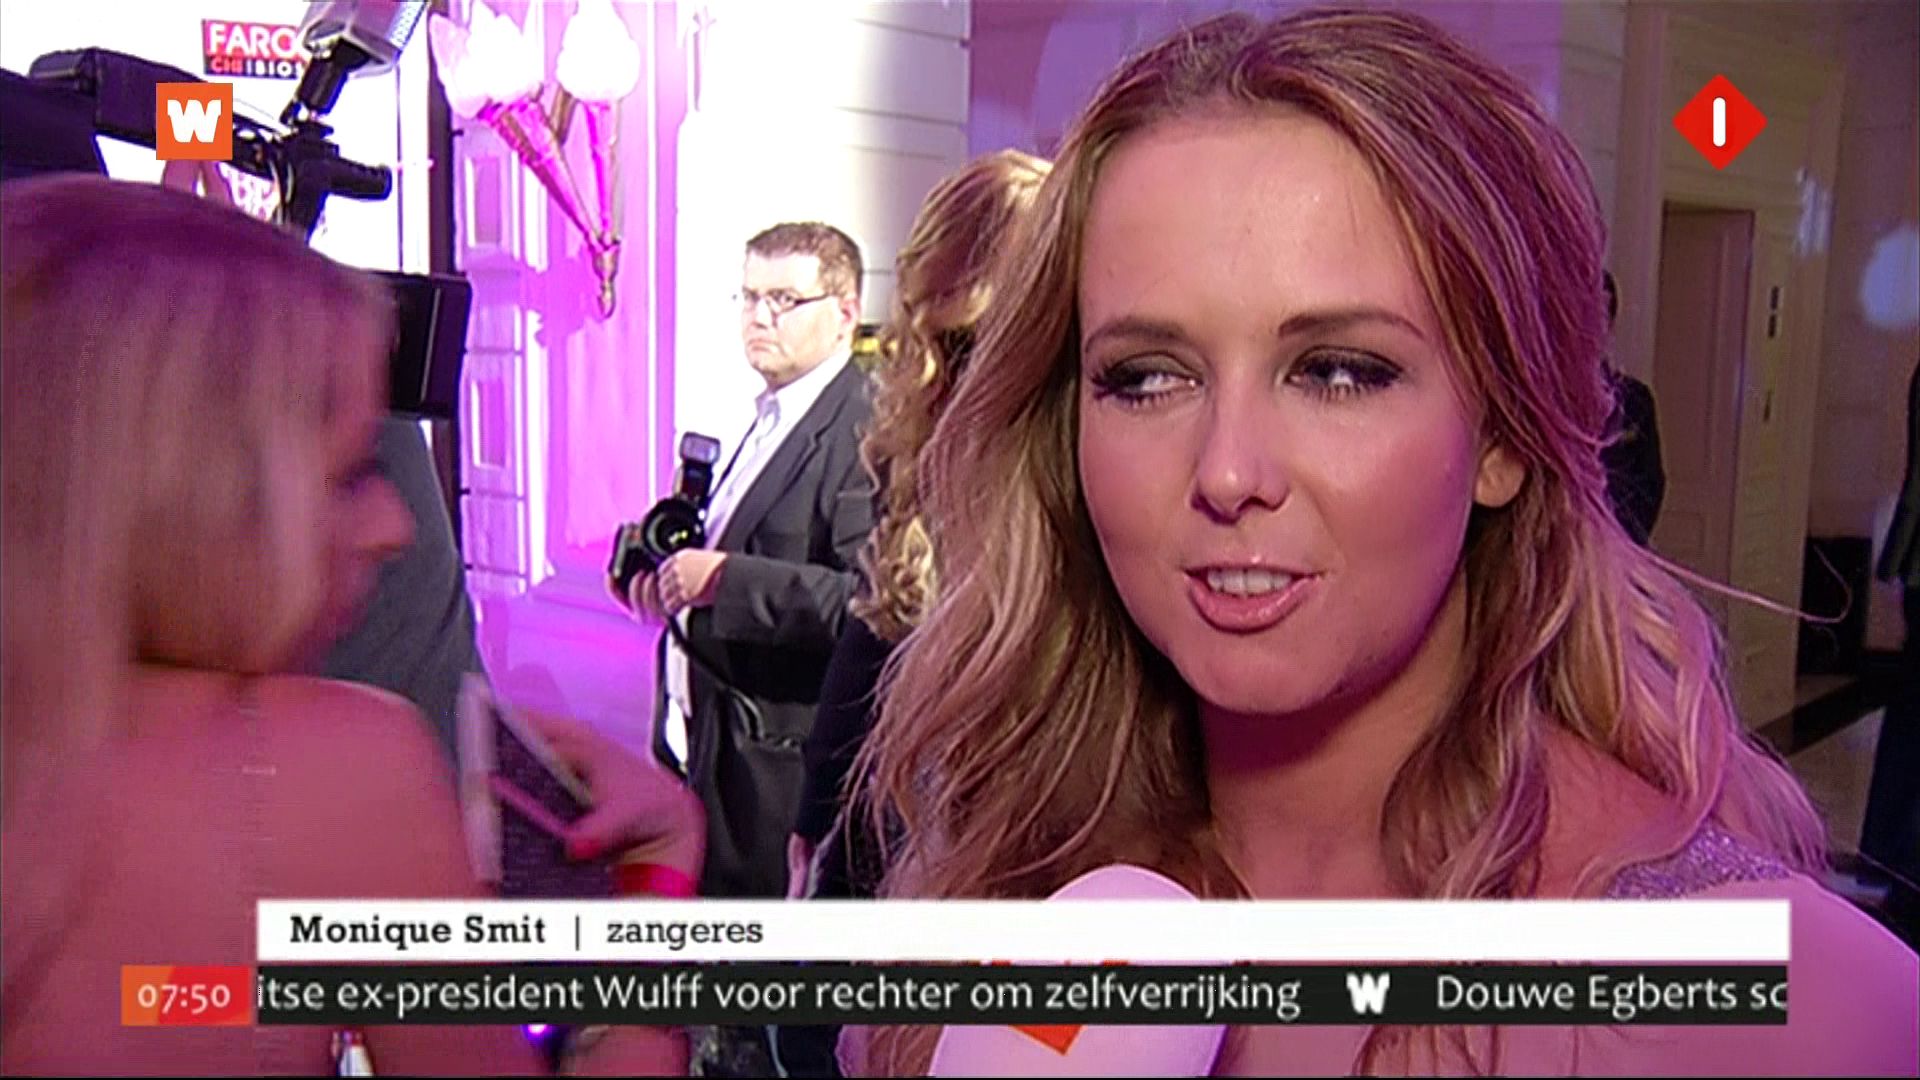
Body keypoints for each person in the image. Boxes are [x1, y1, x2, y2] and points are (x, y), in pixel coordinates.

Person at [847, 10, 1917, 1077]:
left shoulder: (1804, 1014)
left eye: (1339, 371)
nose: (1227, 472)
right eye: (1147, 377)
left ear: (1502, 435)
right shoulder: (996, 893)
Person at [1, 175, 697, 1076]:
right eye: (347, 474)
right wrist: (657, 890)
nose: (395, 528)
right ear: (189, 492)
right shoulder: (334, 758)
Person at [772, 150, 1049, 1080]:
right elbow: (870, 641)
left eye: (990, 343)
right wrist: (817, 823)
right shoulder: (927, 486)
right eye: (951, 347)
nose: (968, 386)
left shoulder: (1102, 517)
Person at [614, 221, 875, 902]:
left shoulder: (863, 428)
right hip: (711, 744)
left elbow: (866, 603)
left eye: (784, 300)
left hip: (780, 767)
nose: (759, 317)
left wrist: (725, 582)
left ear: (845, 312)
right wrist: (657, 577)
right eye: (750, 296)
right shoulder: (770, 414)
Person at [1599, 271, 1666, 545]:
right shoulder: (1546, 401)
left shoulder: (1635, 400)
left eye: (1603, 313)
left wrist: (1623, 539)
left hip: (1619, 546)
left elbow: (1651, 482)